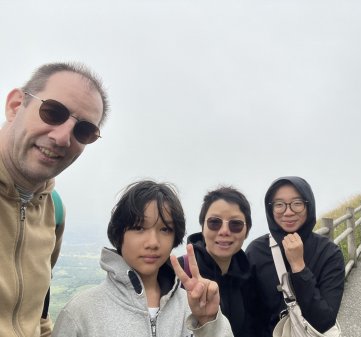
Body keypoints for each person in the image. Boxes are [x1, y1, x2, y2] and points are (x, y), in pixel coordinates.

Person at [0, 62, 108, 337]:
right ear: (15, 106)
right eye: (52, 112)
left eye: (83, 131)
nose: (62, 138)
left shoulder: (53, 209)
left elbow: (37, 317)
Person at [53, 180, 233, 337]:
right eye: (139, 227)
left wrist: (208, 323)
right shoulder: (80, 313)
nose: (153, 242)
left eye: (165, 229)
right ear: (119, 233)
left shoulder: (191, 307)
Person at [246, 176, 345, 337]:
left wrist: (299, 266)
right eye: (279, 205)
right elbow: (248, 315)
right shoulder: (256, 251)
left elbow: (324, 321)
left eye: (297, 203)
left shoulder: (329, 253)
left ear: (308, 205)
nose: (288, 212)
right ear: (270, 209)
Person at [179, 186, 256, 337]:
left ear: (246, 232)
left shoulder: (248, 278)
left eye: (236, 224)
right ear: (202, 227)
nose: (224, 231)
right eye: (215, 222)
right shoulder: (179, 274)